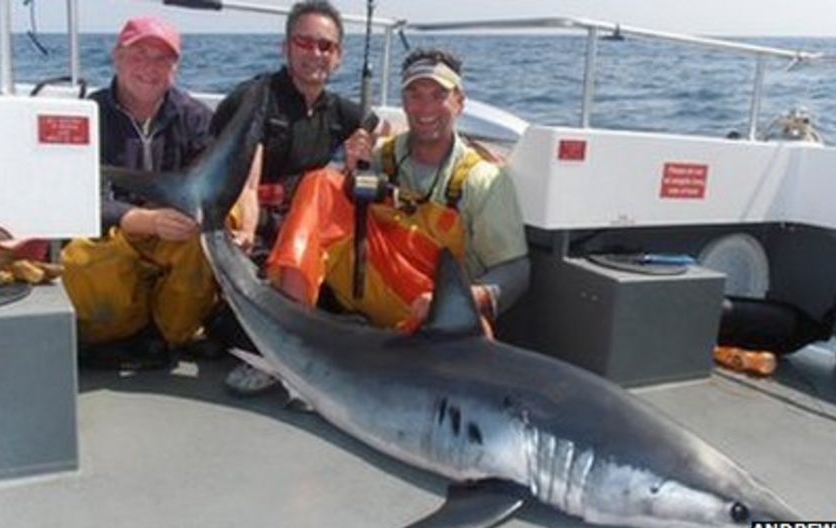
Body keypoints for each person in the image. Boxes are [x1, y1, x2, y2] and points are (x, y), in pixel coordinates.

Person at [267, 48, 529, 335]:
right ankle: (287, 331)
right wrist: (352, 170)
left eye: (438, 95)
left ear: (459, 102)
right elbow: (330, 217)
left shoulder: (483, 180)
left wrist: (465, 298)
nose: (425, 107)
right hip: (368, 282)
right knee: (319, 183)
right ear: (403, 102)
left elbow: (515, 270)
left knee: (477, 333)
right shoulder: (381, 155)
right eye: (414, 95)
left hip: (434, 309)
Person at [210, 0, 375, 394]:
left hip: (301, 231)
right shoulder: (253, 97)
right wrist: (247, 226)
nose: (315, 53)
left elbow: (375, 127)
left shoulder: (340, 112)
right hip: (249, 225)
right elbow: (240, 180)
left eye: (326, 46)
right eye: (305, 42)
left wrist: (362, 153)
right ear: (286, 47)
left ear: (338, 57)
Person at [61, 16, 233, 368]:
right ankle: (115, 336)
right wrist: (142, 219)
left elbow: (209, 190)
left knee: (206, 239)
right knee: (79, 259)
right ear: (117, 56)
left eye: (162, 59)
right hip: (113, 232)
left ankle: (171, 335)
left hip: (172, 232)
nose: (150, 68)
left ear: (175, 68)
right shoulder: (87, 117)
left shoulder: (196, 118)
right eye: (139, 54)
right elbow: (75, 201)